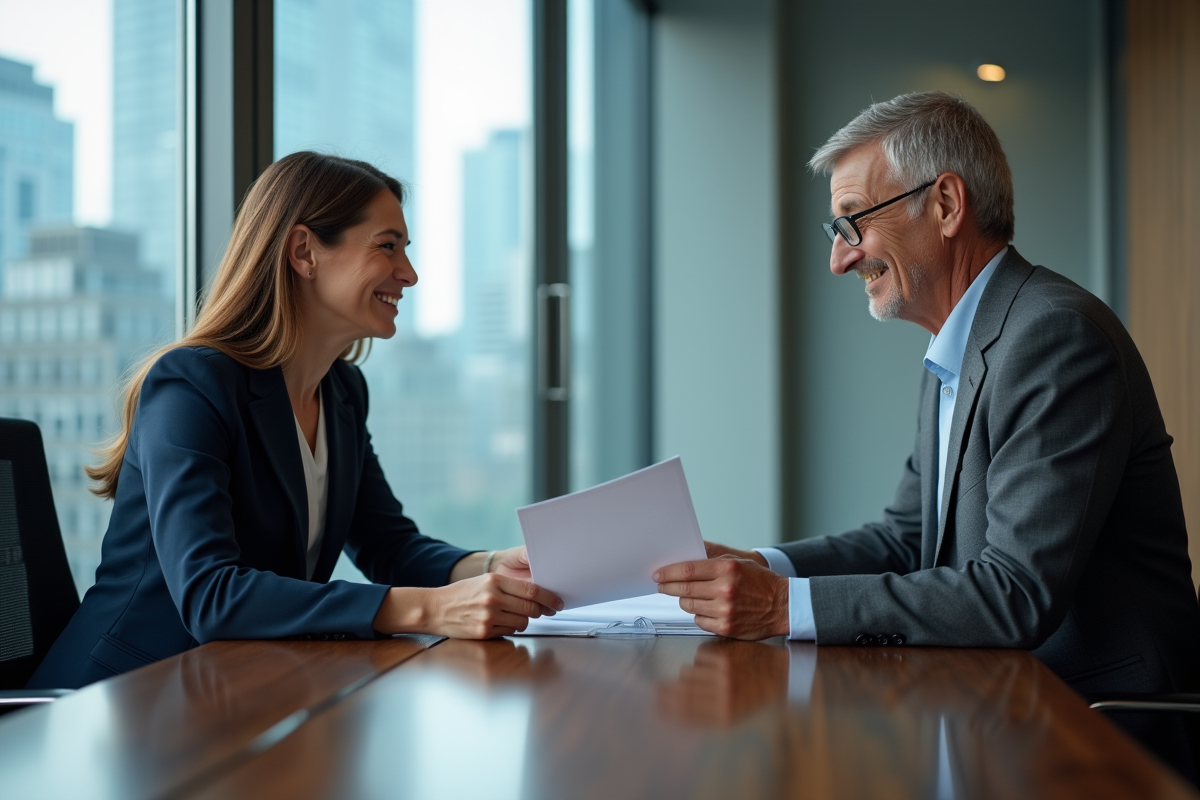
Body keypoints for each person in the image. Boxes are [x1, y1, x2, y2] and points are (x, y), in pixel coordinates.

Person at [654, 92, 1200, 772]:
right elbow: (909, 538)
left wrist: (781, 607)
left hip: (1093, 735)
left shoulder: (1054, 338)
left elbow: (1015, 594)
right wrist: (762, 569)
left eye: (853, 223)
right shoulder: (958, 347)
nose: (841, 260)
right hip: (999, 711)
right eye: (837, 232)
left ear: (944, 205)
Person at [29, 152, 561, 690]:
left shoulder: (343, 392)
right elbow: (210, 595)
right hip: (121, 701)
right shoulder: (191, 384)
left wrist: (493, 567)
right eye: (388, 246)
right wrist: (431, 610)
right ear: (305, 252)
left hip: (236, 690)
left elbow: (388, 545)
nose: (410, 273)